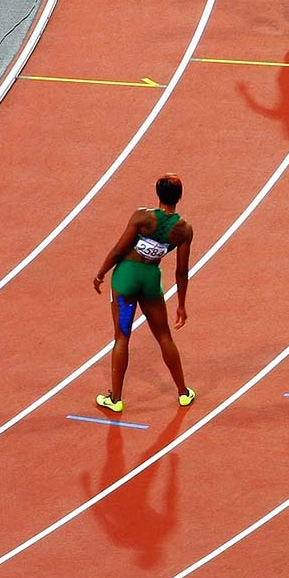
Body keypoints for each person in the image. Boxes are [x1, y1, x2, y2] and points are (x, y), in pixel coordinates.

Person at [92, 174, 195, 412]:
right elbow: (181, 271)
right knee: (164, 337)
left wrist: (101, 273)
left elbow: (119, 250)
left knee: (121, 337)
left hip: (126, 279)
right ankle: (183, 393)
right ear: (179, 196)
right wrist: (181, 304)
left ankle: (115, 400)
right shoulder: (184, 229)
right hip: (150, 282)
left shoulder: (142, 216)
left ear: (158, 194)